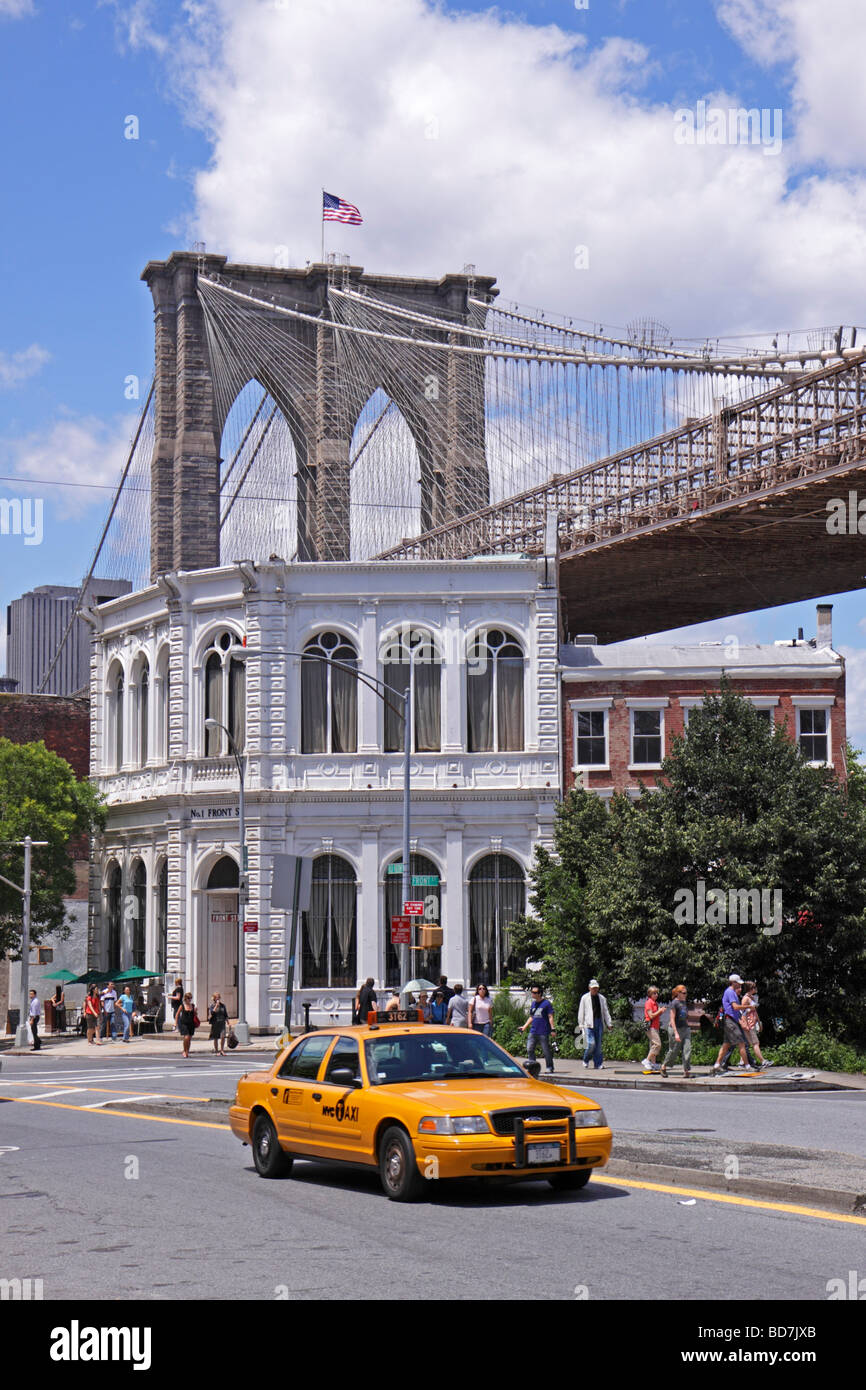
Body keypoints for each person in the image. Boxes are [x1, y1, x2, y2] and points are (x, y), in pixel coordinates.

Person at [713, 974, 757, 1075]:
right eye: (738, 983)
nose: (739, 986)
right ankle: (747, 1066)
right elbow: (735, 1007)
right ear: (733, 982)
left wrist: (741, 1020)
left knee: (726, 1044)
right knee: (741, 1042)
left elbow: (736, 1010)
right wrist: (748, 1006)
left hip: (732, 1020)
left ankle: (717, 1065)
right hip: (730, 1021)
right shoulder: (730, 992)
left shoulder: (731, 992)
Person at [519, 984, 556, 1073]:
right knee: (529, 1049)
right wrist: (524, 1027)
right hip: (533, 1031)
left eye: (535, 992)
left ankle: (550, 1067)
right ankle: (533, 1068)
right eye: (532, 992)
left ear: (539, 994)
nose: (533, 994)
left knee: (546, 1050)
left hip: (543, 1031)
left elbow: (550, 1016)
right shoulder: (533, 1004)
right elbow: (532, 1017)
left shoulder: (546, 1004)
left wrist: (553, 1029)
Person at [577, 979, 613, 1070]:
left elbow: (605, 1011)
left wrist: (609, 1023)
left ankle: (598, 1063)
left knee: (598, 1045)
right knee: (591, 1044)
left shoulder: (602, 998)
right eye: (593, 988)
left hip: (599, 1022)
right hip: (588, 1024)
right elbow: (581, 1011)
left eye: (596, 988)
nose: (595, 990)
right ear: (589, 988)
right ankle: (586, 1059)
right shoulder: (585, 998)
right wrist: (580, 1024)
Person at [660, 984, 692, 1078]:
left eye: (686, 993)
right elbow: (672, 1019)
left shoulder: (684, 1002)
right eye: (684, 993)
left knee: (687, 1050)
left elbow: (685, 1015)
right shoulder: (674, 1003)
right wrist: (676, 1033)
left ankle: (686, 1071)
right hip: (675, 1029)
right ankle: (664, 1067)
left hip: (685, 1029)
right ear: (678, 993)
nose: (685, 995)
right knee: (673, 1050)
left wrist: (687, 1024)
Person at [740, 982, 770, 1069]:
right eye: (754, 987)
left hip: (753, 1022)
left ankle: (742, 1062)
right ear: (751, 989)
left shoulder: (751, 998)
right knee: (755, 1043)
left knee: (748, 1043)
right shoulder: (745, 999)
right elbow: (743, 1012)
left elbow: (754, 1011)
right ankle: (763, 1061)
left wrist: (759, 1022)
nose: (756, 989)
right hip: (749, 1024)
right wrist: (745, 1024)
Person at [642, 986, 664, 1072]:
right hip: (650, 1027)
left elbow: (657, 1015)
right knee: (657, 1044)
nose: (656, 995)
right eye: (654, 993)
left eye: (657, 993)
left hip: (655, 1026)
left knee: (652, 1045)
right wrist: (659, 1011)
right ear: (650, 994)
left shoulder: (655, 1003)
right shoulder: (649, 1003)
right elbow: (651, 1015)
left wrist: (661, 1011)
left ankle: (653, 1064)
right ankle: (647, 1060)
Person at [175, 992, 197, 1058]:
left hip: (191, 1023)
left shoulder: (192, 1006)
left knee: (189, 1038)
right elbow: (177, 1015)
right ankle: (184, 1050)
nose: (189, 999)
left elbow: (195, 1015)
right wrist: (175, 1023)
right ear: (185, 998)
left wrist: (195, 1011)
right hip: (184, 1023)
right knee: (186, 1037)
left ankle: (187, 1051)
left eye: (190, 998)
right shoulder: (182, 1005)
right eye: (188, 998)